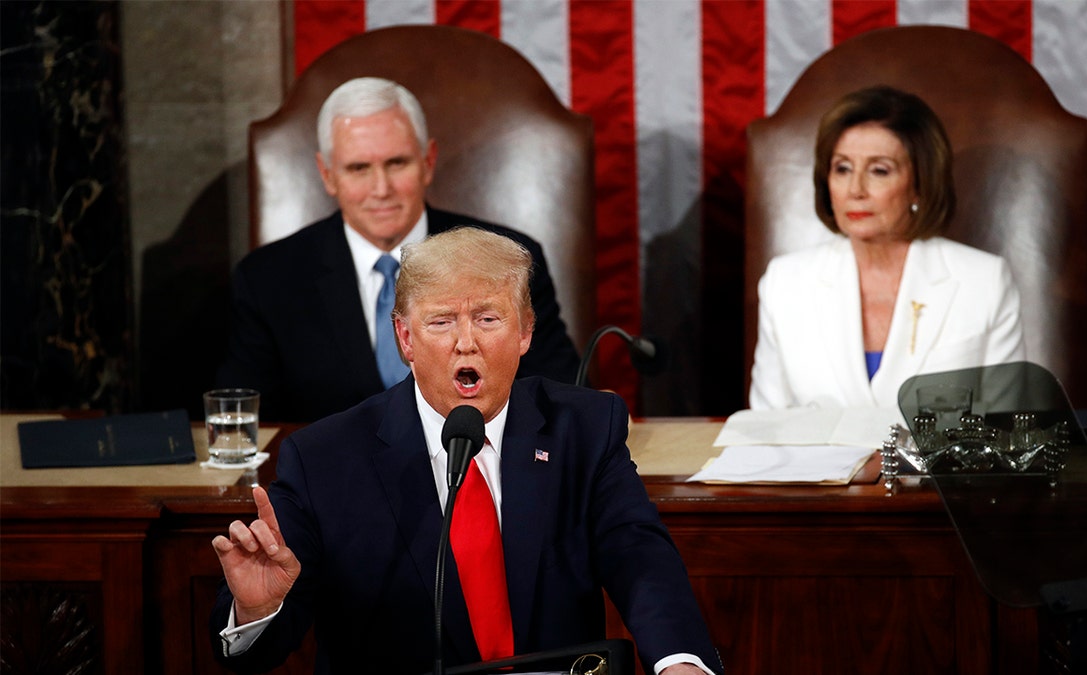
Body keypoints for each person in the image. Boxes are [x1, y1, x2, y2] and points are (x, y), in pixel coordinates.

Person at [209, 227, 722, 674]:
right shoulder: (325, 459)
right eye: (440, 322)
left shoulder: (584, 429)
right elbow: (259, 649)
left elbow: (639, 555)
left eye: (487, 318)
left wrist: (678, 661)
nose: (465, 343)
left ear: (525, 332)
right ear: (405, 338)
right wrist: (257, 612)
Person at [215, 77, 580, 422]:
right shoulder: (269, 278)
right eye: (359, 168)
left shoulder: (507, 260)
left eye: (396, 163)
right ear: (327, 174)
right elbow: (246, 422)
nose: (381, 188)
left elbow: (563, 397)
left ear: (428, 162)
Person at [749, 85, 1025, 411]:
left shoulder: (983, 281)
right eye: (842, 168)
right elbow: (766, 431)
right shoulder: (786, 282)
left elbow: (1005, 429)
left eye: (879, 170)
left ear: (920, 185)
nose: (856, 189)